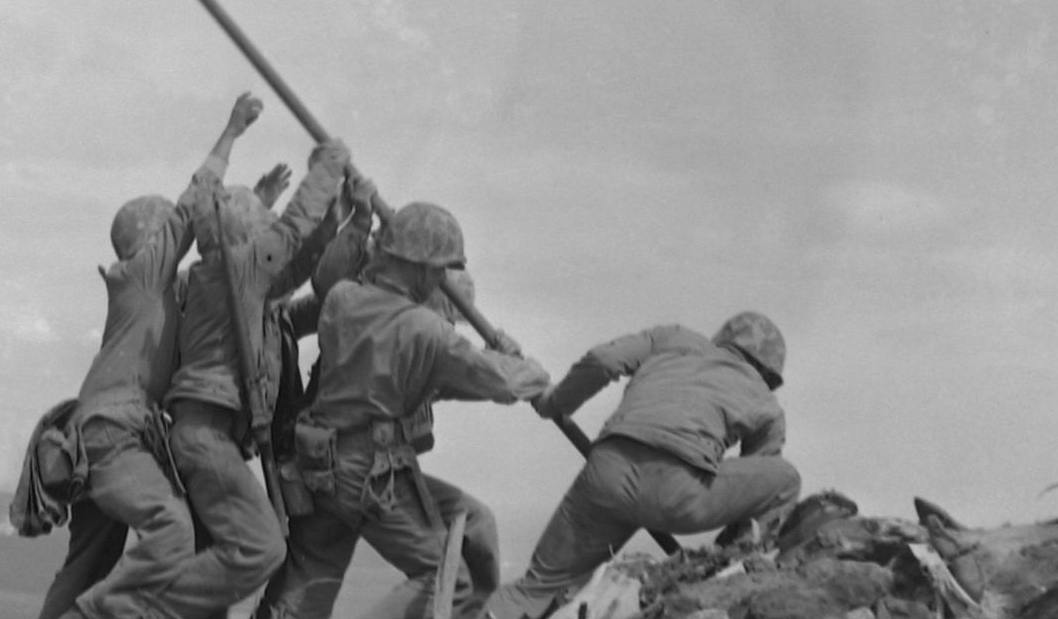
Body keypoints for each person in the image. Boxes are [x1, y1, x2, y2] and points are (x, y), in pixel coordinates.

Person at [37, 93, 263, 619]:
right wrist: (230, 133)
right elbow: (193, 205)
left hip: (101, 432)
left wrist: (257, 203)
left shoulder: (148, 290)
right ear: (150, 240)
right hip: (115, 433)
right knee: (172, 527)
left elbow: (217, 264)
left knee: (89, 559)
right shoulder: (142, 277)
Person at [266, 202, 550, 619]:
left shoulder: (344, 300)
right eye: (439, 270)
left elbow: (441, 382)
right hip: (370, 472)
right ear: (421, 268)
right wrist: (524, 366)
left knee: (309, 581)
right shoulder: (426, 330)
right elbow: (505, 382)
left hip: (319, 465)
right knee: (445, 576)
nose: (440, 278)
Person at [484, 312, 802, 619]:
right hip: (678, 493)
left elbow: (603, 360)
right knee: (785, 479)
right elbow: (756, 486)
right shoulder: (767, 404)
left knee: (536, 585)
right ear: (769, 374)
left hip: (607, 475)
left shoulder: (673, 338)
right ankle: (730, 570)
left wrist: (553, 402)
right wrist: (723, 553)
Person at [160, 132, 354, 619]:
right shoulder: (230, 273)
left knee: (216, 570)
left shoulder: (241, 286)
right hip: (206, 436)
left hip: (217, 437)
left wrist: (333, 224)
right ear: (247, 240)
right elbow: (290, 234)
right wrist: (327, 167)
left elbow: (295, 269)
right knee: (262, 548)